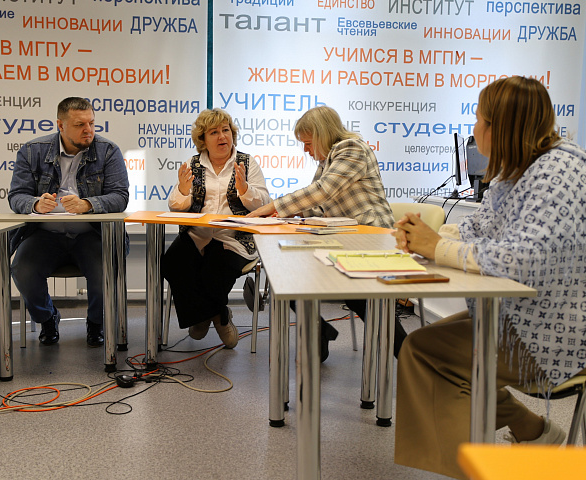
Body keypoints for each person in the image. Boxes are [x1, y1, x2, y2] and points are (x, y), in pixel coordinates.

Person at [392, 76, 586, 479]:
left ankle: (475, 466)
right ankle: (533, 432)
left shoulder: (560, 171)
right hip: (526, 317)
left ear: (500, 127)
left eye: (479, 119)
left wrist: (436, 247)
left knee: (428, 355)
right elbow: (478, 230)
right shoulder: (516, 171)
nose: (475, 128)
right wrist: (428, 236)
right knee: (424, 349)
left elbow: (523, 259)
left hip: (558, 337)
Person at [248, 105, 399, 362]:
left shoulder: (352, 149)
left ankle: (408, 353)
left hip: (370, 238)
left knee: (359, 297)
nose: (306, 150)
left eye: (308, 143)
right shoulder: (327, 161)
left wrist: (274, 207)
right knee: (288, 274)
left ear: (321, 135)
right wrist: (290, 213)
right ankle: (319, 329)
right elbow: (319, 205)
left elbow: (323, 191)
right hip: (345, 240)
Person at [8, 97, 129, 347]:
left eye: (91, 123)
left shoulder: (108, 151)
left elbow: (120, 197)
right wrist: (35, 205)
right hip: (44, 235)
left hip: (91, 234)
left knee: (106, 268)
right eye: (79, 125)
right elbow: (16, 196)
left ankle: (96, 323)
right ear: (60, 125)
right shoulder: (32, 151)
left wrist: (88, 205)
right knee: (22, 269)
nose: (88, 130)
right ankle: (48, 318)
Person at [162, 108, 270, 348]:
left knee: (215, 266)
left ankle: (206, 318)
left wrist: (245, 189)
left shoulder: (247, 163)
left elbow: (263, 203)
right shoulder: (192, 164)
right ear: (203, 139)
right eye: (214, 132)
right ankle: (217, 314)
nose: (222, 136)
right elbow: (175, 207)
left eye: (226, 130)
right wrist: (182, 190)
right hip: (197, 235)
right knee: (172, 262)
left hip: (235, 238)